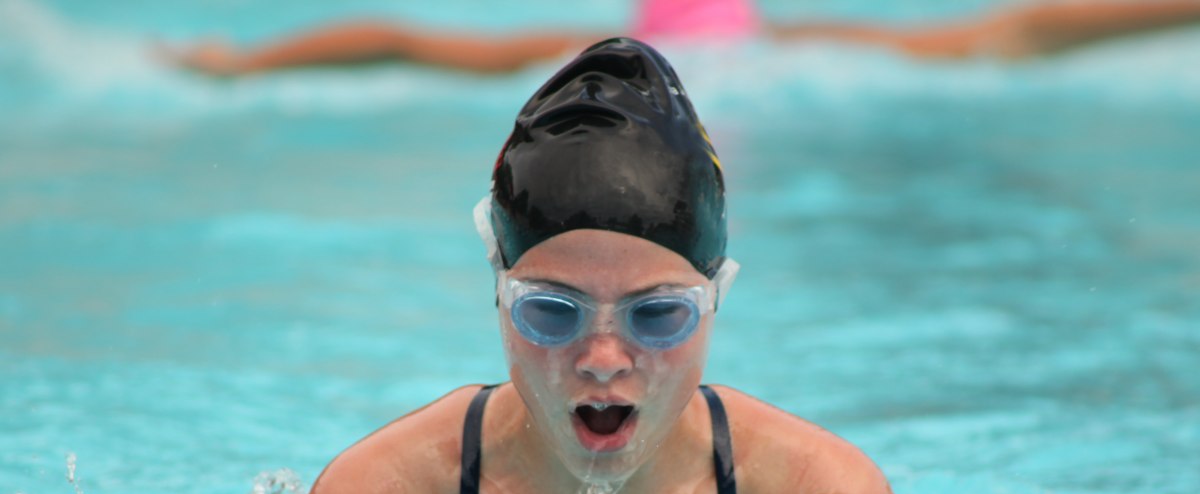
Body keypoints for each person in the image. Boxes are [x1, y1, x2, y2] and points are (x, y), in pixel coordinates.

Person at [294, 37, 907, 494]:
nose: (604, 357)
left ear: (718, 296)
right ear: (500, 294)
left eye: (658, 314)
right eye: (553, 313)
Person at [161, 0, 1200, 76]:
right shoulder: (794, 45)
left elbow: (403, 42)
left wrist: (244, 66)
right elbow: (1019, 31)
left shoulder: (594, 50)